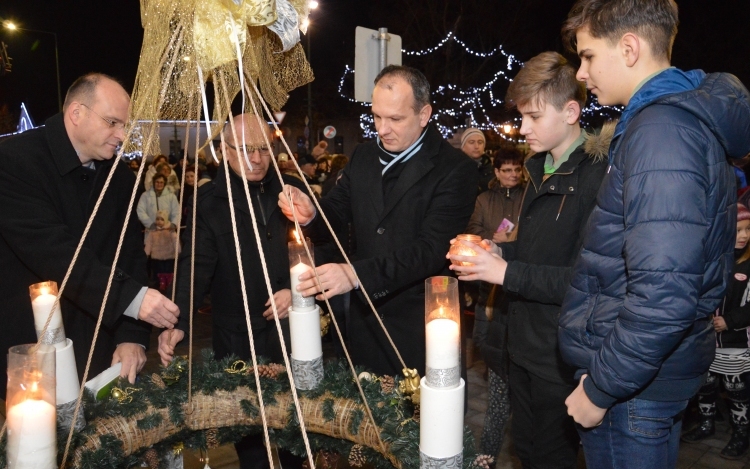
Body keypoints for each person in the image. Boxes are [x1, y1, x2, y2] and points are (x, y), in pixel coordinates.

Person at [557, 1, 750, 467]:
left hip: (631, 386)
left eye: (586, 56)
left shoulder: (661, 129)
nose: (582, 73)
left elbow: (665, 292)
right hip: (644, 375)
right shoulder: (668, 121)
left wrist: (602, 388)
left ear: (628, 48)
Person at [448, 51, 608, 468]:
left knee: (552, 454)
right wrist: (498, 251)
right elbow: (537, 251)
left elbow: (584, 277)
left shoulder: (596, 175)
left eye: (534, 117)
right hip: (520, 344)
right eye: (523, 117)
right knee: (526, 448)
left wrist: (505, 271)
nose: (523, 129)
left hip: (560, 352)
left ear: (571, 111)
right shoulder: (540, 167)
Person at [279, 65, 477, 377]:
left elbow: (430, 249)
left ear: (424, 115)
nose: (382, 129)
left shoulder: (455, 169)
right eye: (376, 116)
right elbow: (337, 210)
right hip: (365, 324)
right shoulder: (364, 156)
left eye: (395, 119)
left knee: (421, 423)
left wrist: (355, 274)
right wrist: (312, 213)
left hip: (421, 329)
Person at [0, 73, 179, 395]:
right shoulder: (15, 161)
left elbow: (130, 256)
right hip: (29, 351)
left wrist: (131, 336)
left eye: (125, 125)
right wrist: (132, 300)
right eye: (113, 122)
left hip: (99, 350)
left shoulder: (120, 177)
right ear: (76, 114)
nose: (122, 135)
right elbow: (51, 250)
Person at [157, 113, 306, 469]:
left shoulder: (290, 189)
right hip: (237, 339)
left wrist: (294, 290)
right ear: (224, 151)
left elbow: (318, 250)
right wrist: (178, 321)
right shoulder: (209, 201)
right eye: (244, 149)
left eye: (262, 149)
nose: (256, 159)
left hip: (292, 335)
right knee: (250, 441)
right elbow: (196, 268)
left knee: (297, 439)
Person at [465, 147, 525, 461]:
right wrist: (493, 237)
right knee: (486, 333)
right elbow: (474, 229)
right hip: (488, 278)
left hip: (516, 275)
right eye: (507, 170)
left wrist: (514, 244)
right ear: (497, 171)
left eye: (517, 170)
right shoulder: (484, 199)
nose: (513, 176)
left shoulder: (529, 196)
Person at [681, 203, 750, 459]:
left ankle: (741, 432)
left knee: (736, 390)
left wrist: (730, 320)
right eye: (738, 230)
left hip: (735, 340)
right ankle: (706, 423)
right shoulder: (714, 261)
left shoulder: (748, 263)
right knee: (706, 385)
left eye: (748, 229)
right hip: (707, 340)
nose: (743, 235)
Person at [144, 210, 180, 292]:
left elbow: (175, 241)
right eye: (157, 219)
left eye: (162, 219)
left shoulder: (170, 230)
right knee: (159, 271)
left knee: (169, 271)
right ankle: (161, 283)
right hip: (157, 256)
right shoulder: (153, 232)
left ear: (166, 220)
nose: (159, 221)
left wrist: (178, 251)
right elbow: (149, 243)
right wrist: (146, 253)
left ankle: (169, 284)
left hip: (169, 256)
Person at [461, 128, 494, 194]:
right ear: (463, 146)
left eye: (480, 142)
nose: (476, 146)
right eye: (471, 142)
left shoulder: (493, 168)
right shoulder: (455, 169)